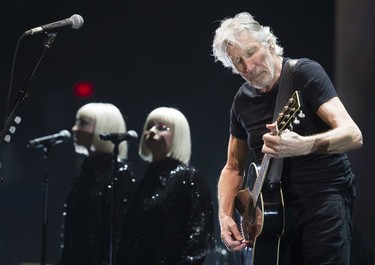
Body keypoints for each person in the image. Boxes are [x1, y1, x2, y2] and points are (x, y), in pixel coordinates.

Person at [212, 12, 363, 265]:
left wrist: (302, 145)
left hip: (322, 200)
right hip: (272, 216)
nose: (248, 67)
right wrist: (225, 216)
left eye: (251, 53)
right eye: (238, 61)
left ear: (269, 43)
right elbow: (233, 167)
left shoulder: (304, 74)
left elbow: (353, 135)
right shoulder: (242, 100)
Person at [117, 106, 215, 265]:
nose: (152, 131)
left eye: (162, 128)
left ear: (178, 135)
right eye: (148, 126)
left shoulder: (189, 178)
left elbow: (199, 237)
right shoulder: (142, 184)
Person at [59, 102, 136, 265]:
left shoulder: (118, 174)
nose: (74, 129)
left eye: (83, 123)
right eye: (76, 122)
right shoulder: (85, 175)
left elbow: (120, 235)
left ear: (104, 127)